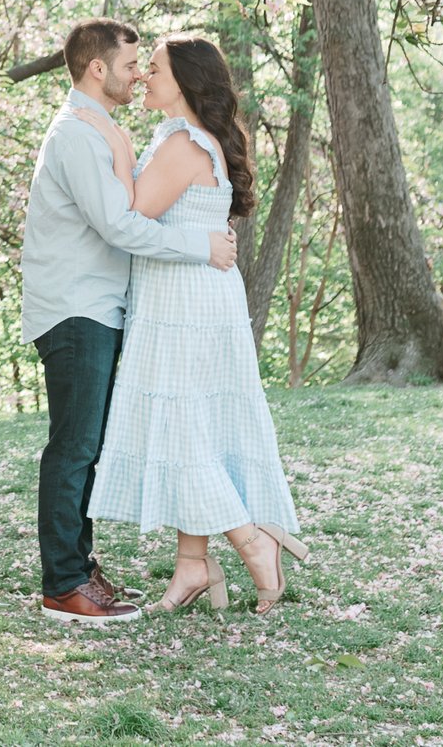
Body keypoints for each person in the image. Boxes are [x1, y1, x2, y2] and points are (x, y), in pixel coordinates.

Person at [22, 19, 239, 627]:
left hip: (99, 304)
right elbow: (119, 226)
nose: (138, 74)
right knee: (74, 447)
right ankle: (64, 583)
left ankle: (79, 569)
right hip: (74, 306)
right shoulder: (77, 137)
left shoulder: (102, 130)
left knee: (85, 446)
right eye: (129, 65)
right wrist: (203, 247)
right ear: (98, 68)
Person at [89, 33, 308, 613]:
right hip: (189, 298)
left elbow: (132, 213)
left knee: (184, 432)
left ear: (183, 83)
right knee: (192, 428)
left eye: (153, 69)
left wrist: (108, 143)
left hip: (186, 305)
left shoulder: (185, 144)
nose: (142, 78)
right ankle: (192, 565)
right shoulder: (178, 138)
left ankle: (252, 539)